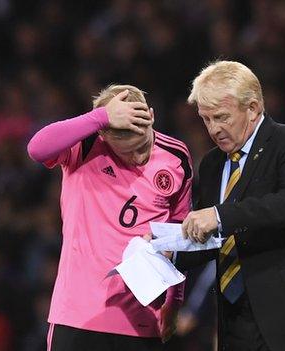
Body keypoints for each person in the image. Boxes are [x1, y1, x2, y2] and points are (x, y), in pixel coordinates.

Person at [175, 60, 285, 351]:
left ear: (252, 108)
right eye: (206, 119)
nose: (213, 129)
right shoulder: (213, 163)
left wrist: (219, 215)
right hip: (234, 320)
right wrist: (170, 248)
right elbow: (209, 236)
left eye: (221, 117)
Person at [27, 84, 193, 351]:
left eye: (143, 144)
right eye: (127, 152)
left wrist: (174, 303)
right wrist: (100, 117)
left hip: (142, 319)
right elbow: (37, 148)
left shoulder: (176, 156)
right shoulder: (85, 144)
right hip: (78, 316)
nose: (139, 158)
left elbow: (178, 235)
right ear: (104, 134)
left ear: (150, 116)